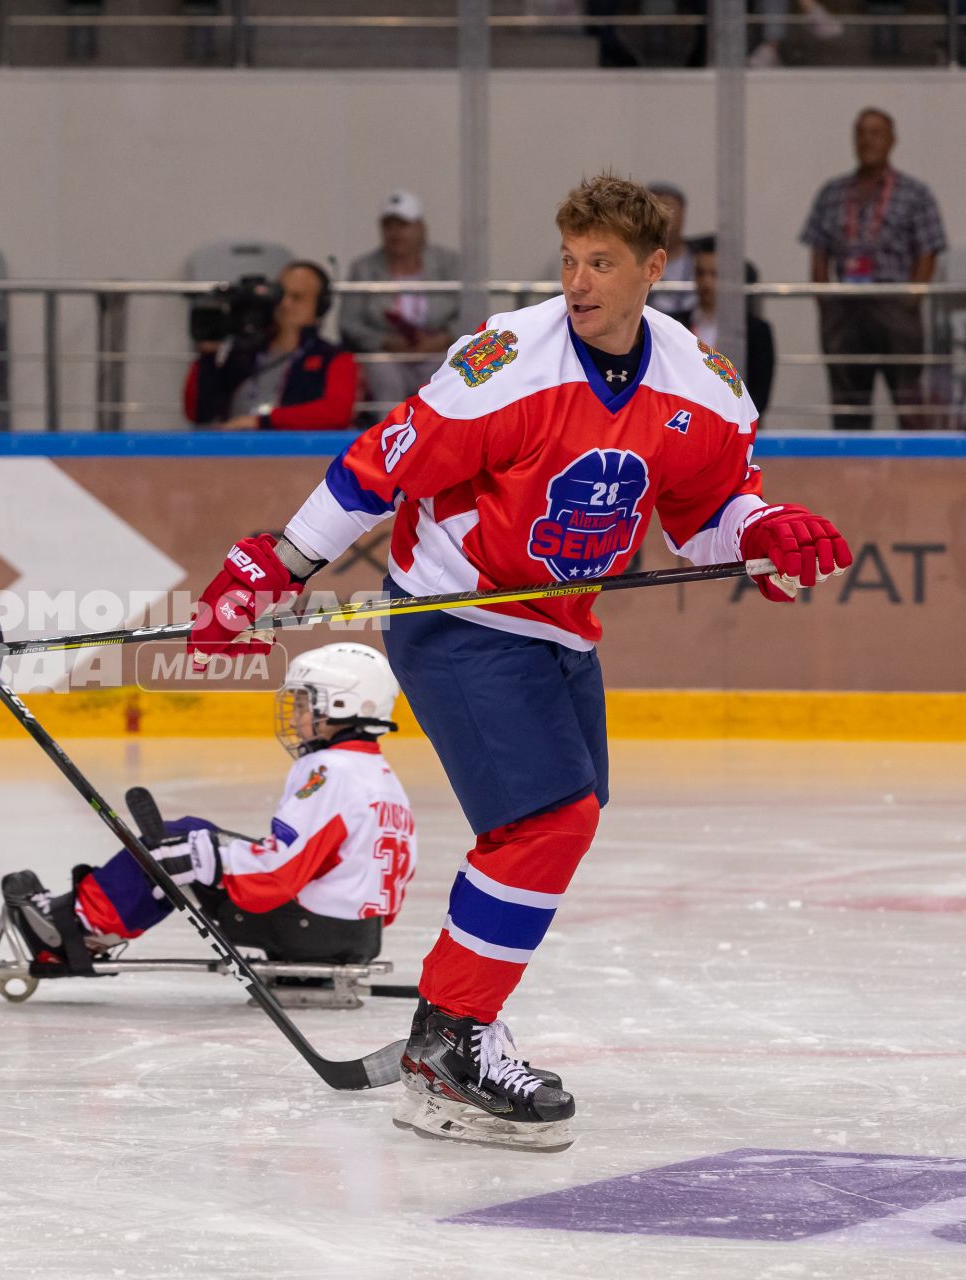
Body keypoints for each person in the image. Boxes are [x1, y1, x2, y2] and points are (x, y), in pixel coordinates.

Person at [186, 173, 853, 1152]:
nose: (579, 283)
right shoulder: (504, 367)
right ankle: (451, 1040)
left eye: (603, 264)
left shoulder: (701, 385)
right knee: (546, 820)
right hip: (459, 610)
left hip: (560, 625)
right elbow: (382, 465)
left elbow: (703, 516)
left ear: (652, 271)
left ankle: (452, 1023)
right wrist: (275, 562)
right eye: (570, 261)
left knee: (556, 822)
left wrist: (763, 527)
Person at [0, 643, 416, 976]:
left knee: (172, 848)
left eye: (307, 703)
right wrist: (213, 848)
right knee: (193, 834)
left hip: (312, 930)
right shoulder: (377, 773)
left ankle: (70, 931)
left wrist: (204, 853)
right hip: (354, 931)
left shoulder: (330, 771)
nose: (298, 714)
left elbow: (275, 875)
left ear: (342, 707)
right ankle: (90, 925)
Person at [800, 107, 947, 430]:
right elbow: (818, 251)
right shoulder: (833, 192)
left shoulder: (915, 193)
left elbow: (928, 250)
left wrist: (911, 299)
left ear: (892, 140)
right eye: (861, 133)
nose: (868, 140)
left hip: (895, 307)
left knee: (908, 401)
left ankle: (916, 475)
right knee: (848, 404)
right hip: (845, 309)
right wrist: (826, 302)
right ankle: (850, 474)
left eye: (876, 133)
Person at [183, 261, 358, 431]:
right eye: (281, 295)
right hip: (234, 450)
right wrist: (208, 356)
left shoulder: (335, 357)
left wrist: (262, 422)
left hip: (294, 452)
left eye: (297, 297)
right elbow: (198, 412)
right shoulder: (244, 350)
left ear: (320, 306)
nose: (285, 304)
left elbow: (337, 413)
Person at [339, 192, 460, 425]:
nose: (395, 233)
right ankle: (388, 435)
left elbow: (472, 311)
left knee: (449, 367)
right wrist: (385, 341)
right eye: (389, 226)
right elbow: (349, 323)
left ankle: (438, 433)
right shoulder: (363, 268)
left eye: (403, 225)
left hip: (437, 350)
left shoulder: (451, 264)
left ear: (420, 227)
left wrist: (444, 338)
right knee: (381, 367)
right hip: (387, 353)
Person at [687, 235, 776, 412]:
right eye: (701, 273)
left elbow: (759, 396)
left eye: (714, 274)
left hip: (732, 426)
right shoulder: (677, 324)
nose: (706, 282)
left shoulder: (757, 332)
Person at [646, 182, 694, 319]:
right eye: (656, 209)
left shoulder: (700, 261)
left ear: (683, 213)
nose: (663, 217)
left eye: (669, 208)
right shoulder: (630, 259)